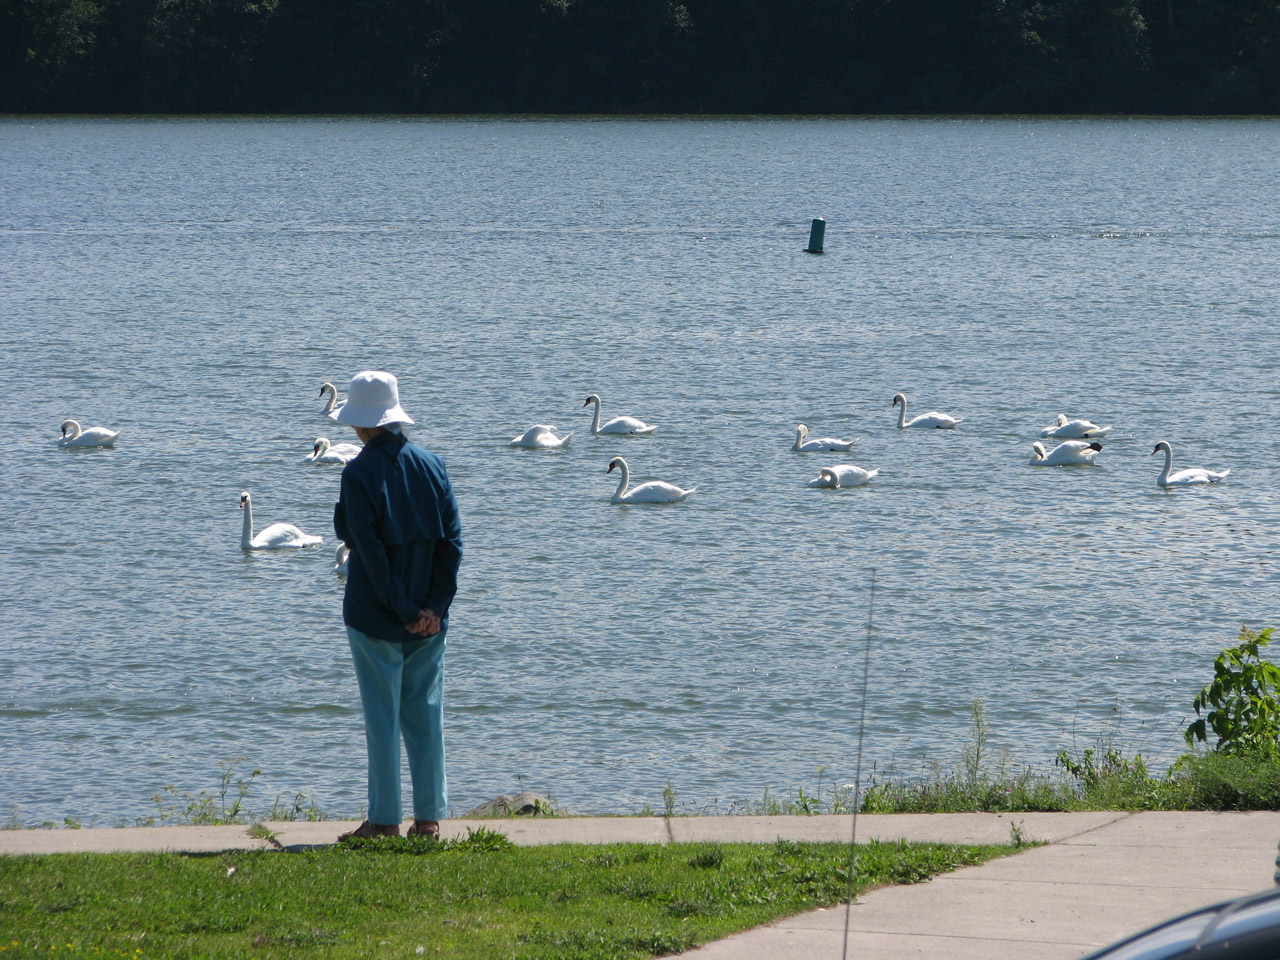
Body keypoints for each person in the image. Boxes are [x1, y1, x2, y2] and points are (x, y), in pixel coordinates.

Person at [330, 370, 462, 841]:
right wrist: (433, 608)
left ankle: (384, 820)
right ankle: (428, 821)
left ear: (361, 425)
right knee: (426, 714)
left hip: (374, 616)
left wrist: (405, 610)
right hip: (431, 620)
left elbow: (366, 550)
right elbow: (452, 545)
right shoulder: (435, 466)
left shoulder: (358, 473)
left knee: (382, 719)